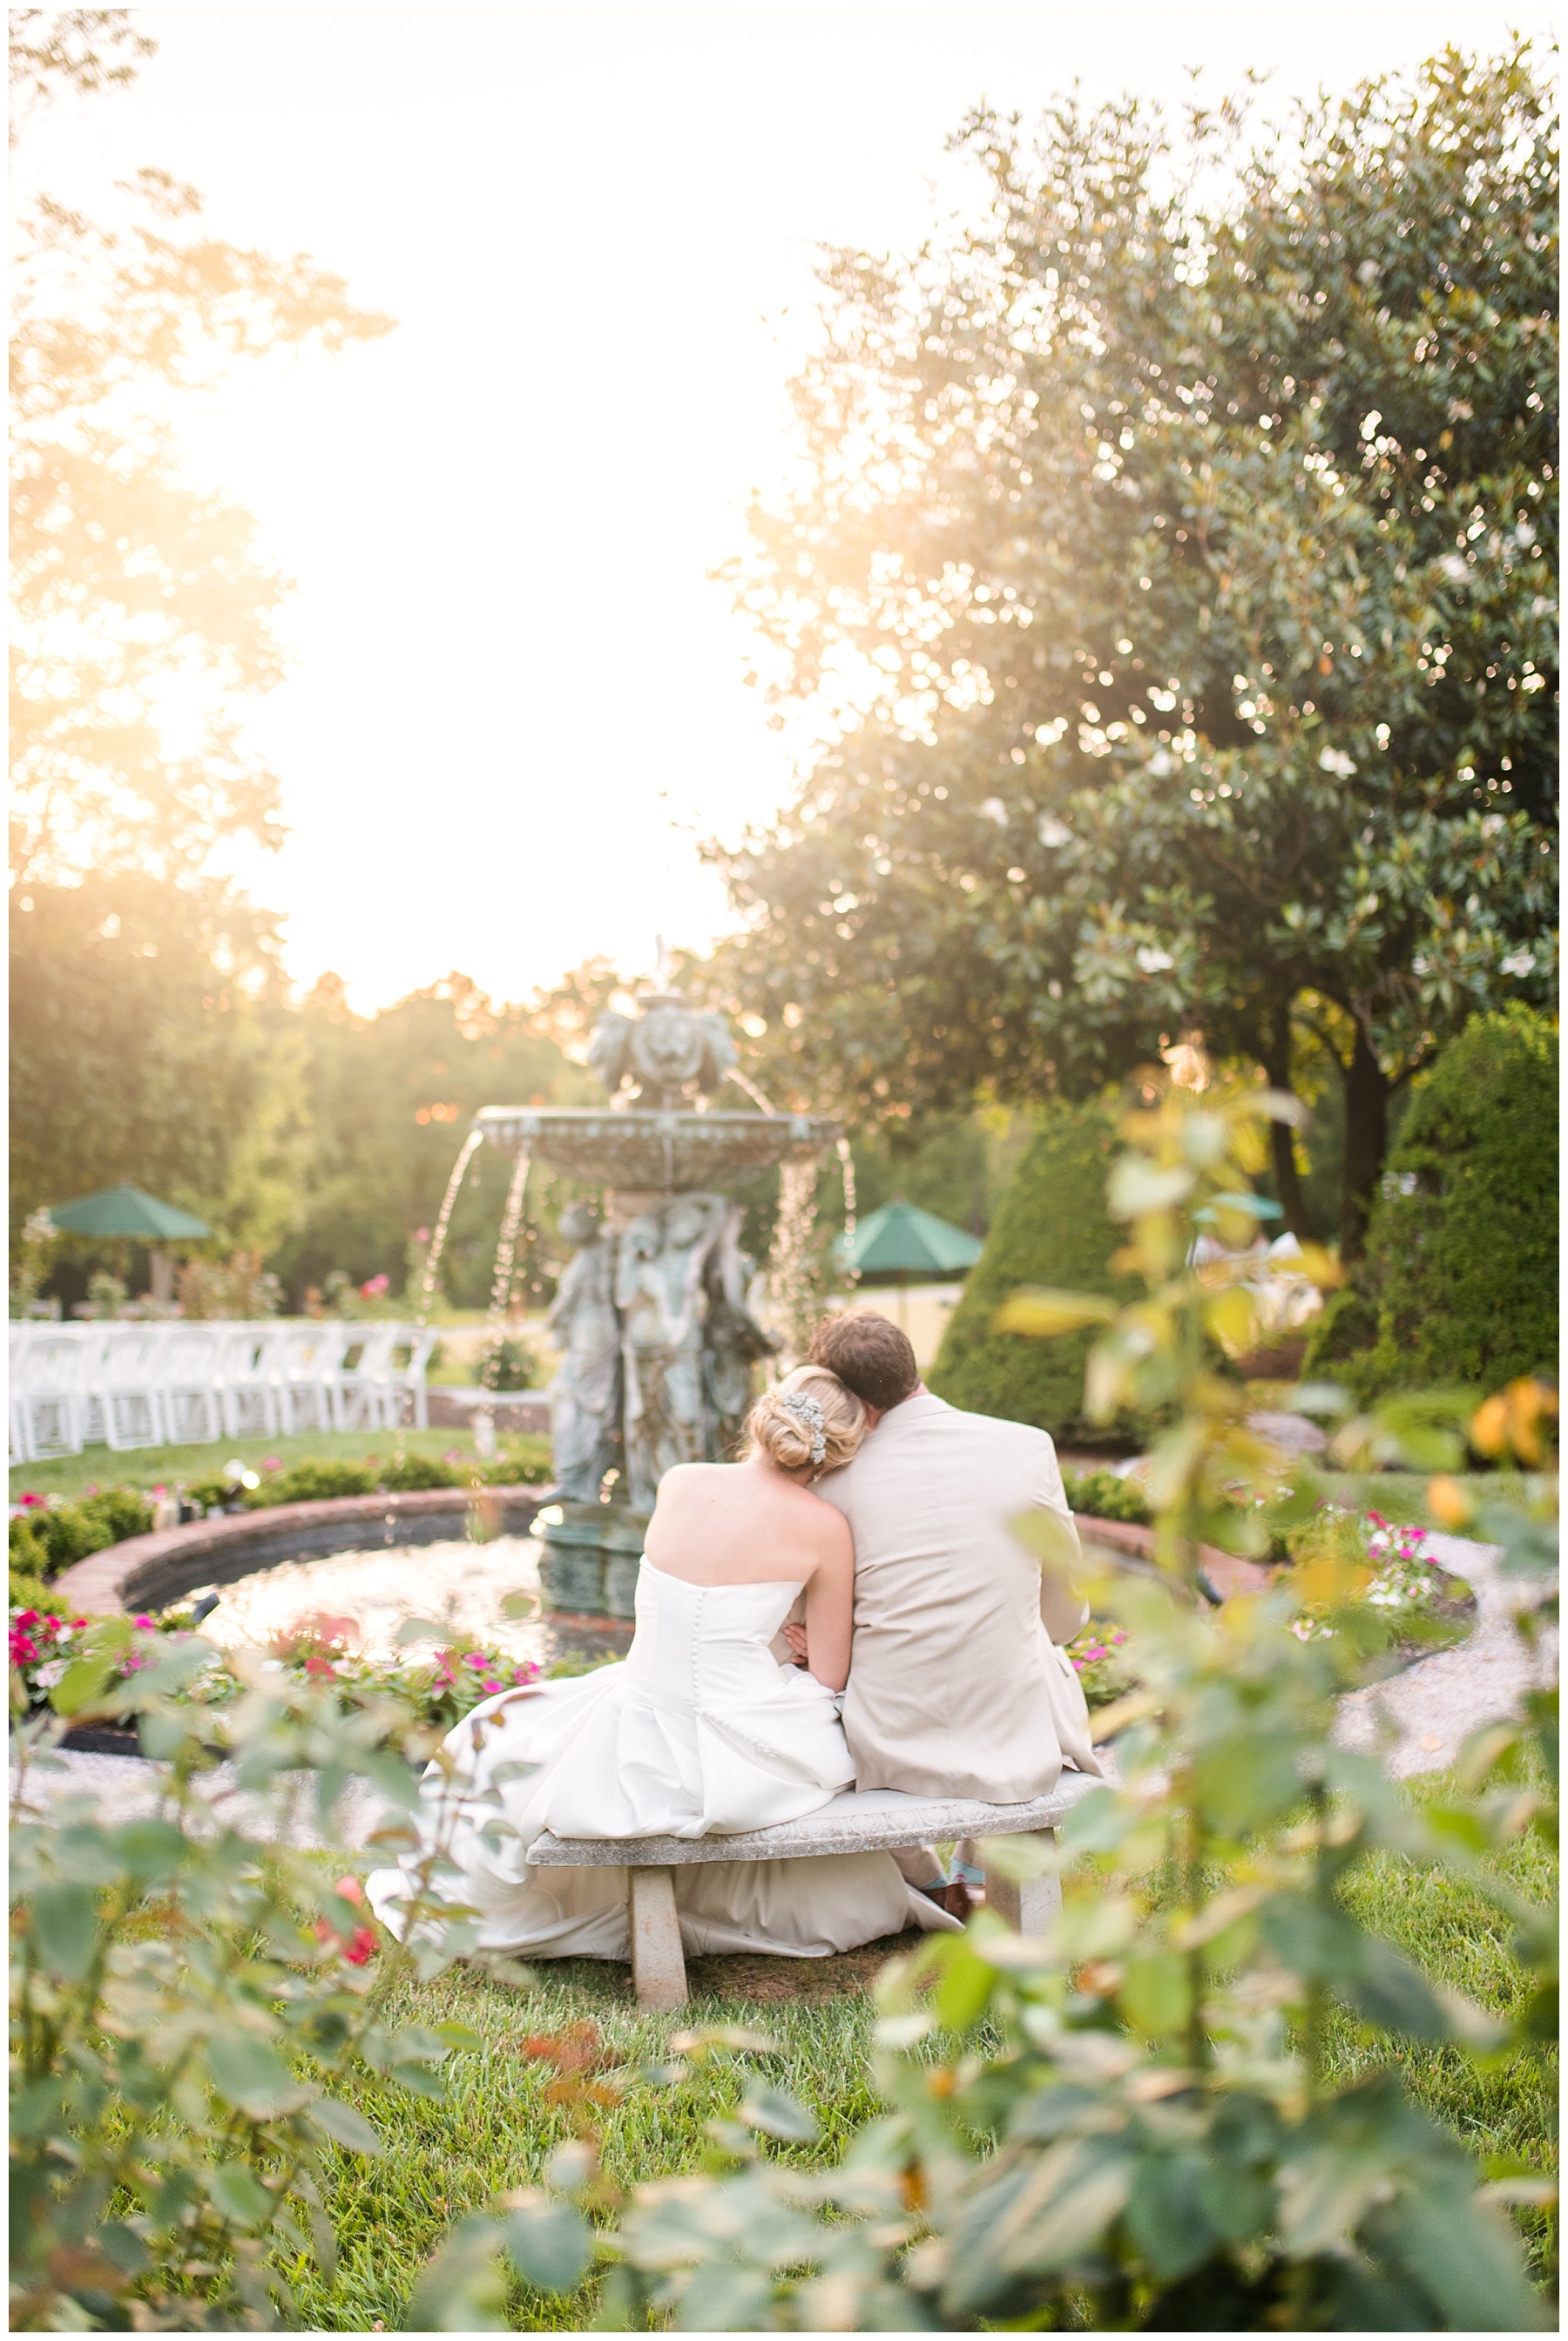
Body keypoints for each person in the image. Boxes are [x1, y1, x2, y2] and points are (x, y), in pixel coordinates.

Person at [364, 1365, 959, 1960]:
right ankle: (924, 1878)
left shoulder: (679, 1481)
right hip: (745, 1750)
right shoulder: (827, 1528)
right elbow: (830, 1677)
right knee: (845, 1740)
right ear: (837, 1456)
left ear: (763, 1415)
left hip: (637, 1717)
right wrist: (790, 1644)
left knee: (516, 1726)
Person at [791, 1309, 1101, 1911]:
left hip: (886, 1743)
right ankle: (971, 1864)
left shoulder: (829, 1482)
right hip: (1016, 1736)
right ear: (913, 1366)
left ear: (850, 1396)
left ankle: (932, 1877)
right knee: (1026, 1639)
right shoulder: (1025, 1446)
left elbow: (822, 1636)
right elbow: (1067, 1620)